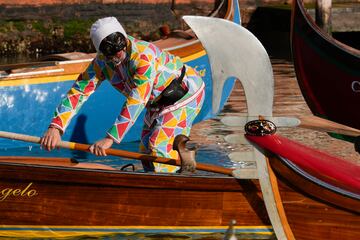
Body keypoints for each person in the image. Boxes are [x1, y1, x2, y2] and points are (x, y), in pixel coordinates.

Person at [40, 17, 205, 173]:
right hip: (158, 101)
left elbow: (137, 100)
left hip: (185, 93)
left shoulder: (144, 56)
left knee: (158, 145)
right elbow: (79, 91)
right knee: (146, 150)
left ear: (124, 39)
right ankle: (182, 155)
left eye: (121, 48)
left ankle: (170, 188)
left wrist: (110, 138)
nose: (118, 55)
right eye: (111, 53)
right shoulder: (101, 62)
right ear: (102, 52)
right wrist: (55, 127)